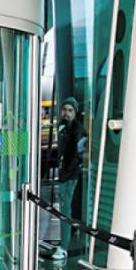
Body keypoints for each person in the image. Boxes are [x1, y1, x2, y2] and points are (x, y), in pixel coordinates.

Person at [53, 97, 85, 260]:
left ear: (75, 112)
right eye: (64, 109)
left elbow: (76, 156)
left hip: (69, 176)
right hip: (65, 174)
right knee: (65, 210)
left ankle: (63, 247)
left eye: (70, 110)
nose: (66, 113)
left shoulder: (76, 130)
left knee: (65, 211)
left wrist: (64, 176)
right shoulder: (63, 128)